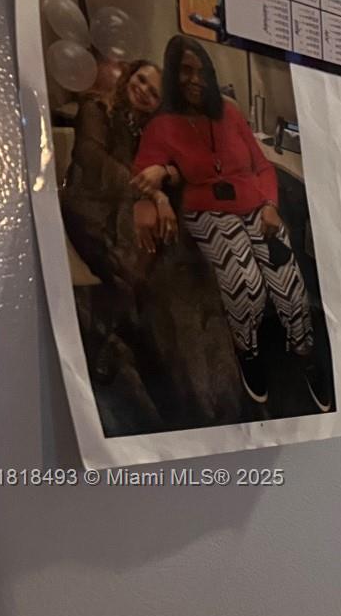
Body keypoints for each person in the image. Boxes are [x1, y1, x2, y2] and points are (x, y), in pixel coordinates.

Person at [132, 35, 330, 412]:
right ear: (173, 74)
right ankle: (247, 350)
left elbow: (262, 165)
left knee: (289, 284)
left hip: (255, 205)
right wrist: (153, 197)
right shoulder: (162, 126)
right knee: (246, 285)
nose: (194, 79)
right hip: (207, 210)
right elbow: (143, 173)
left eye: (200, 71)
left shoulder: (229, 113)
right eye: (185, 70)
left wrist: (270, 205)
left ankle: (304, 353)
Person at [62, 59, 164, 284]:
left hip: (122, 209)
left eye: (154, 93)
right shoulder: (96, 107)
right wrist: (147, 193)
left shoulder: (145, 131)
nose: (143, 90)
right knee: (135, 273)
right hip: (88, 208)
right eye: (141, 79)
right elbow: (92, 159)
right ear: (129, 77)